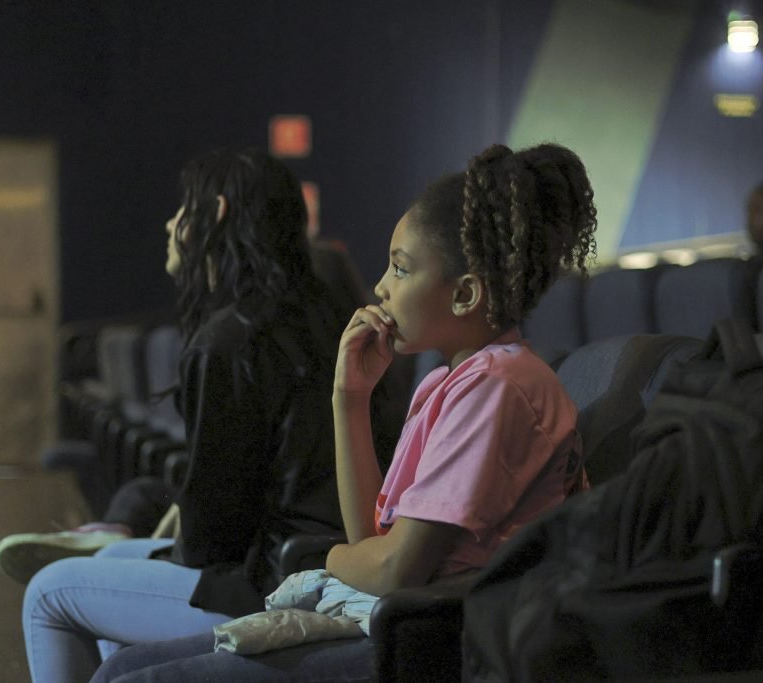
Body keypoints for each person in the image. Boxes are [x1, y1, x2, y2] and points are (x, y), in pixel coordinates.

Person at [90, 141, 598, 682]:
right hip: (397, 618)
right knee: (124, 666)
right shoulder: (448, 383)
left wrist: (320, 558)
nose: (380, 286)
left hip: (444, 638)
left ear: (465, 294)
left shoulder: (497, 386)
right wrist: (349, 398)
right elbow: (372, 546)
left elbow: (392, 569)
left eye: (400, 270)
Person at [22, 147, 356, 683]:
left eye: (183, 208)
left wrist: (170, 533)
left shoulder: (229, 339)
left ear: (217, 212)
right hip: (323, 568)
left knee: (49, 593)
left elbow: (208, 542)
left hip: (273, 583)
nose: (171, 222)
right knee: (109, 569)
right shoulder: (326, 315)